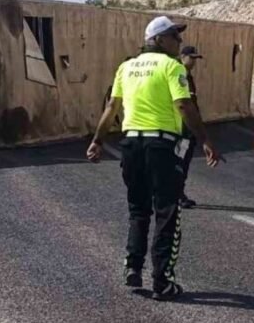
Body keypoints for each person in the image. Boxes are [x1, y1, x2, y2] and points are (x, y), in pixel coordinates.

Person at [87, 16, 223, 300]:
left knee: (138, 209)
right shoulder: (173, 67)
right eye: (175, 36)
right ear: (159, 39)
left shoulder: (126, 67)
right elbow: (184, 105)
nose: (180, 41)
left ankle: (132, 267)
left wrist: (98, 140)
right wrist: (206, 140)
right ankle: (162, 280)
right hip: (162, 146)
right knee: (167, 212)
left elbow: (112, 106)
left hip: (131, 144)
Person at [178, 45, 202, 209]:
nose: (193, 61)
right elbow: (184, 105)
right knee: (180, 161)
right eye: (191, 58)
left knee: (183, 161)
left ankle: (178, 192)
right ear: (182, 56)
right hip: (182, 128)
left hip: (188, 127)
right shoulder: (180, 75)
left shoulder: (187, 76)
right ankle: (177, 194)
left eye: (195, 58)